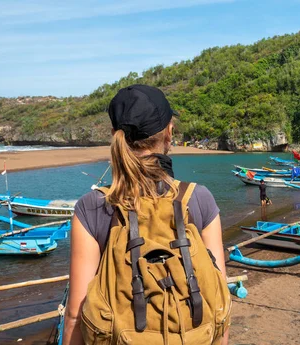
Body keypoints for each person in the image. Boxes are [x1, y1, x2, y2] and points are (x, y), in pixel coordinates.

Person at [63, 85, 230, 345]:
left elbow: (75, 314)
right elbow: (219, 302)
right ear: (169, 134)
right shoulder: (199, 198)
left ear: (114, 136)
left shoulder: (92, 207)